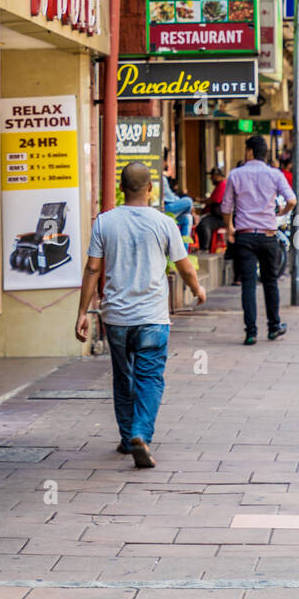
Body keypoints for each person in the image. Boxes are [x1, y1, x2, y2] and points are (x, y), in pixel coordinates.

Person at [76, 161, 206, 470]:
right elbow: (184, 266)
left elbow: (93, 268)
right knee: (150, 379)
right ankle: (140, 433)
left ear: (122, 188)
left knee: (123, 378)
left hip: (117, 318)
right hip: (152, 318)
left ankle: (126, 438)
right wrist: (197, 290)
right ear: (151, 189)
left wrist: (82, 311)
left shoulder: (104, 222)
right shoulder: (163, 223)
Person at [221, 133, 297, 346]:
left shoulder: (236, 174)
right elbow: (292, 199)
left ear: (250, 152)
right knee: (270, 282)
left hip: (244, 236)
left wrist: (229, 227)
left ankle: (250, 332)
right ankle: (274, 327)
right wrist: (280, 213)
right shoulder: (275, 174)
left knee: (248, 284)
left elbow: (226, 206)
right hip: (268, 236)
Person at [161, 148, 194, 245]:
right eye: (169, 160)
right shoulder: (161, 177)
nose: (168, 164)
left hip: (167, 208)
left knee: (187, 218)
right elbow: (170, 199)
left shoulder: (163, 177)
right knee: (188, 201)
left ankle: (183, 253)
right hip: (162, 209)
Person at [195, 167, 227, 250]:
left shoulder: (223, 185)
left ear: (217, 176)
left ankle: (205, 249)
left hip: (221, 217)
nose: (210, 178)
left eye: (212, 176)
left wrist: (200, 200)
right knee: (200, 224)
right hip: (219, 215)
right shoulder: (221, 185)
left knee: (204, 224)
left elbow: (213, 200)